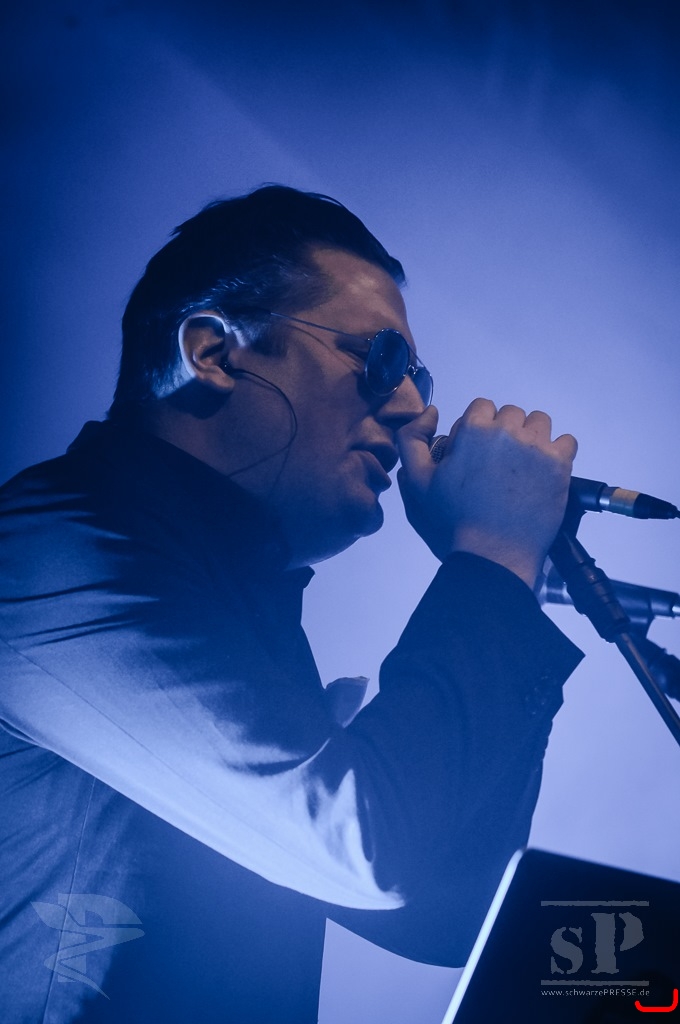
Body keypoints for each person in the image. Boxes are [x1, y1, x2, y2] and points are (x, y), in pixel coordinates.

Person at [0, 185, 582, 1023]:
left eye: (416, 376)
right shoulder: (52, 555)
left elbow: (451, 912)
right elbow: (365, 851)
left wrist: (507, 581)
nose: (413, 409)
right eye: (378, 359)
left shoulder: (230, 596)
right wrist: (492, 558)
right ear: (213, 352)